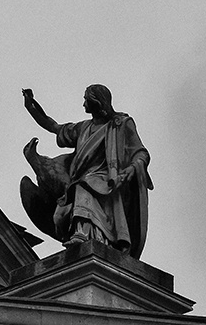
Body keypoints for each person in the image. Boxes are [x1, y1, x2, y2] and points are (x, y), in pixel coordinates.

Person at [22, 85, 152, 258]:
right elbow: (53, 126)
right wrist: (31, 107)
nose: (83, 104)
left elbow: (140, 152)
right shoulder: (82, 128)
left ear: (96, 102)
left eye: (86, 99)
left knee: (84, 186)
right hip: (82, 179)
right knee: (61, 213)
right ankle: (89, 237)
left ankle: (83, 234)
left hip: (107, 179)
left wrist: (133, 167)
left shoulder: (120, 124)